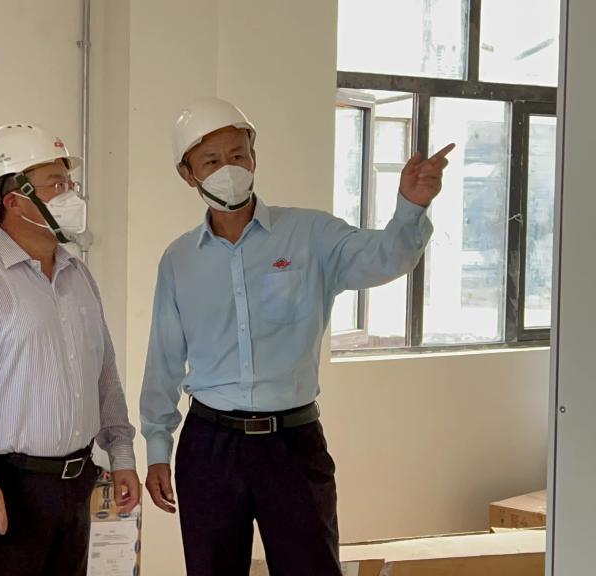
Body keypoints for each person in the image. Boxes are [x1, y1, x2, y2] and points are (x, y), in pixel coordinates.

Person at [140, 98, 454, 575]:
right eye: (211, 161)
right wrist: (157, 449)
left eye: (238, 154)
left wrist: (411, 206)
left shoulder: (310, 234)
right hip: (210, 446)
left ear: (254, 156)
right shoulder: (179, 260)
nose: (228, 169)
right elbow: (163, 360)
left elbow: (384, 258)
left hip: (292, 443)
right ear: (188, 174)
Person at [0, 123, 141, 576]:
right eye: (56, 184)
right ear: (15, 200)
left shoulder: (79, 276)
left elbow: (104, 374)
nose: (70, 195)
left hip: (77, 483)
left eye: (69, 183)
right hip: (8, 487)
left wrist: (121, 453)